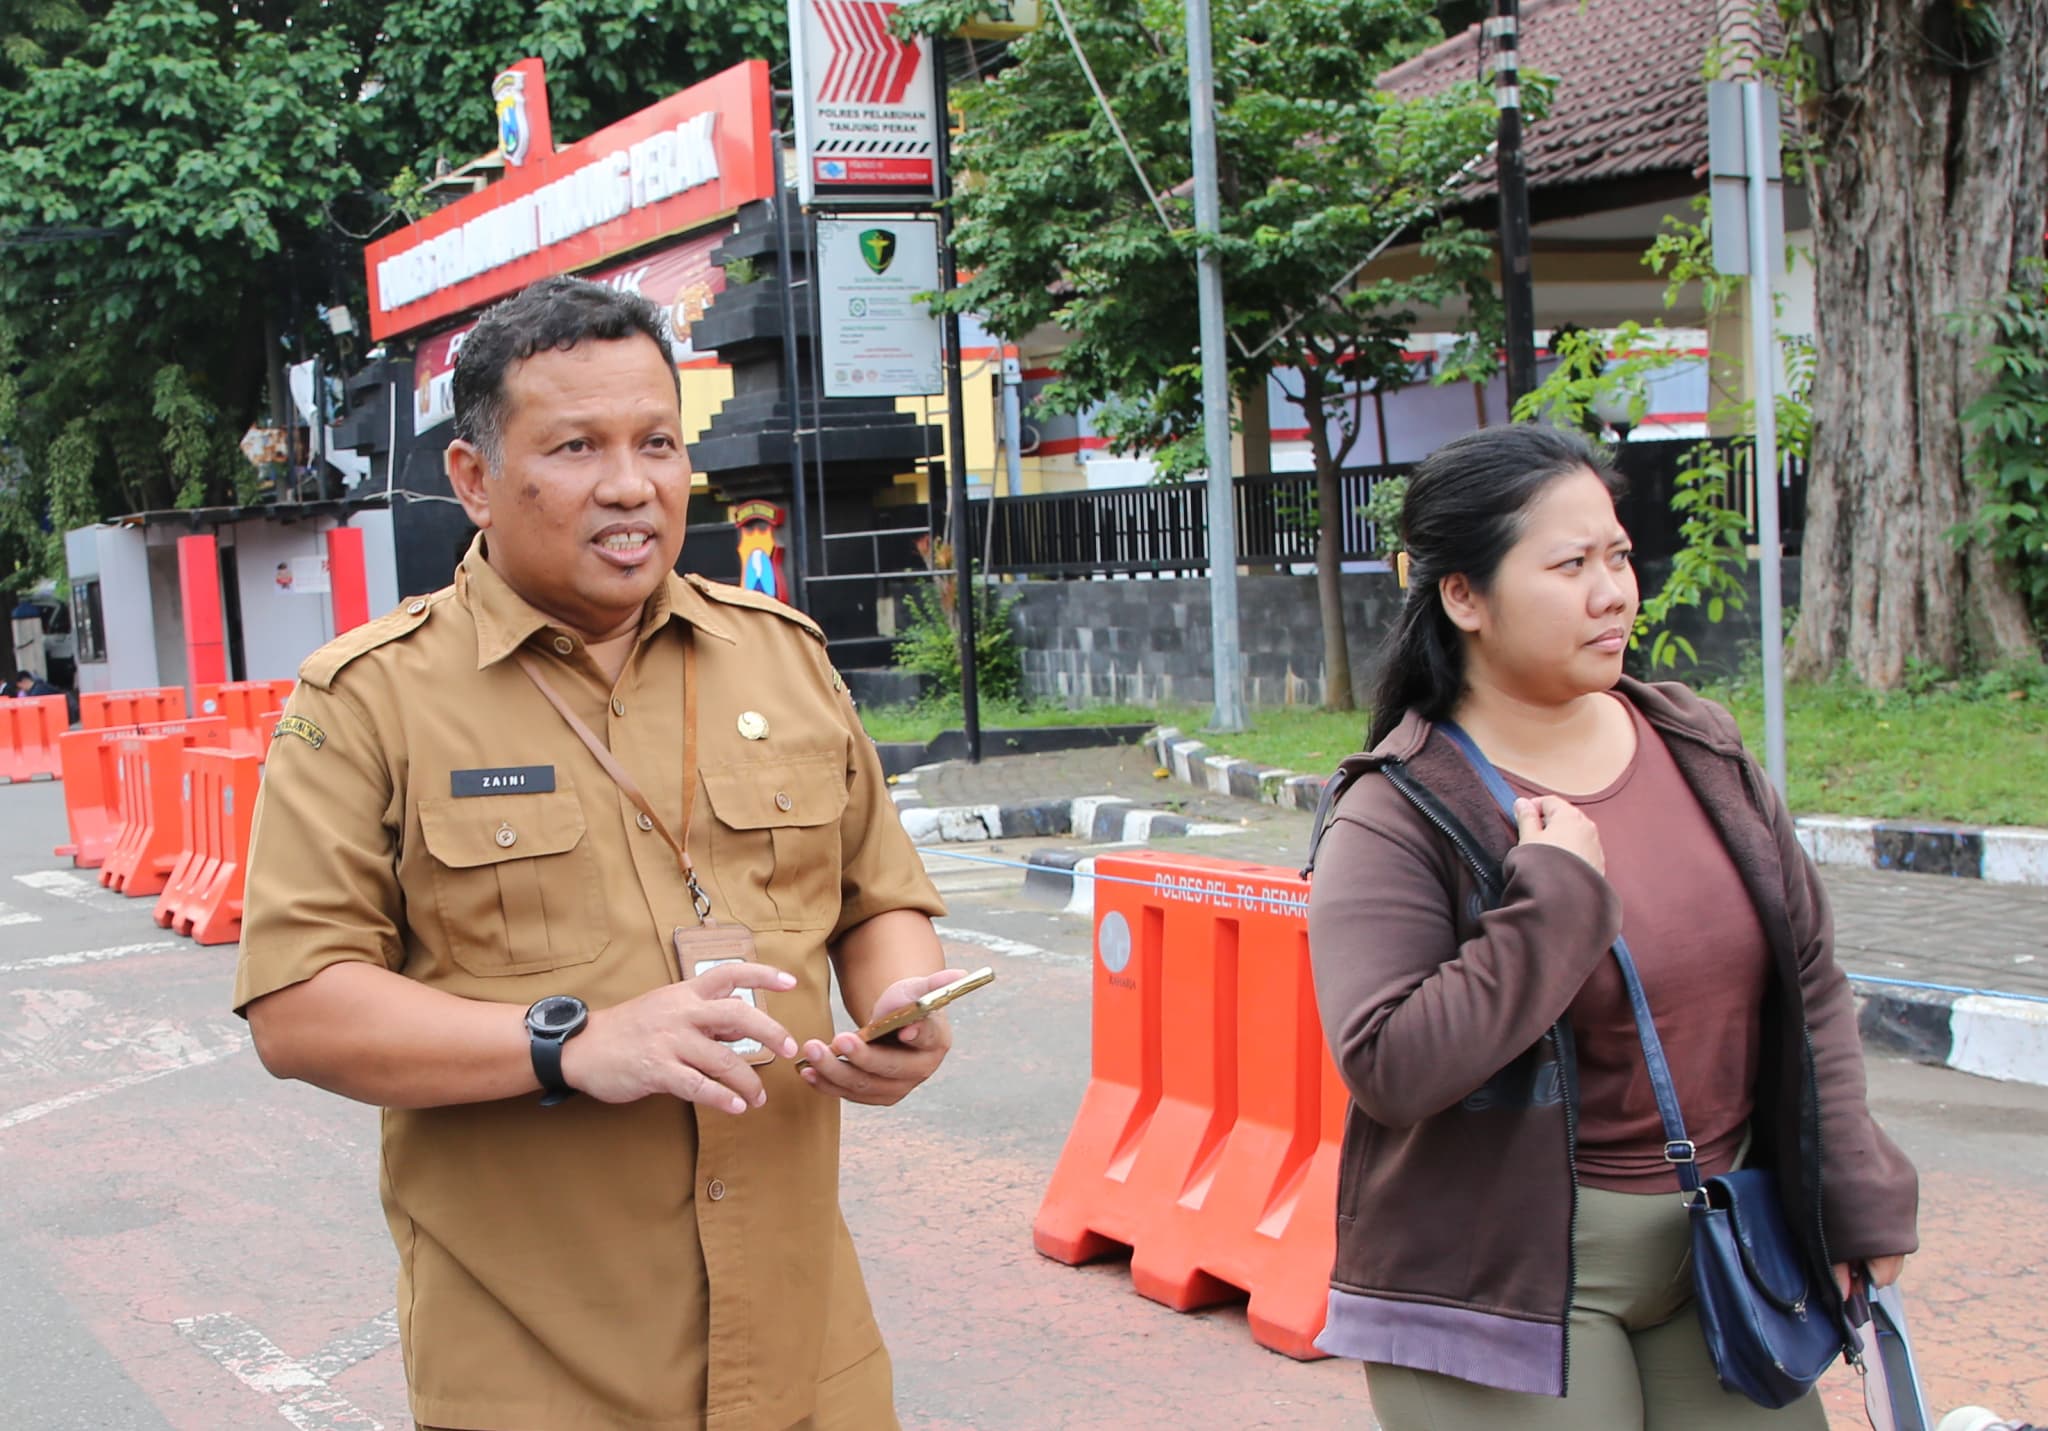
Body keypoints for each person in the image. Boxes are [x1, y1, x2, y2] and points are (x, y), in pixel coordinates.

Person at [233, 276, 968, 1431]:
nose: (630, 486)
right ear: (473, 479)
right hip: (537, 1375)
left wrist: (898, 1007)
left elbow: (875, 896)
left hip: (804, 1355)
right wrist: (570, 1044)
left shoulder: (781, 658)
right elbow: (298, 1006)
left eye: (657, 442)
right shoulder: (370, 701)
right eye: (576, 447)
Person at [1305, 424, 1918, 1429]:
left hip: (1723, 1240)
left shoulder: (1694, 745)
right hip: (1507, 1276)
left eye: (1617, 556)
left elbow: (1806, 981)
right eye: (1569, 565)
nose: (1612, 593)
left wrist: (1847, 1189)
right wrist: (1550, 899)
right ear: (1463, 596)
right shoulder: (1398, 809)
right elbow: (1390, 1064)